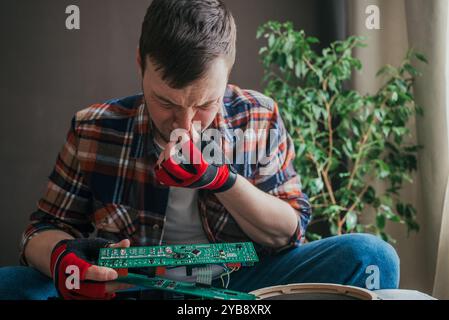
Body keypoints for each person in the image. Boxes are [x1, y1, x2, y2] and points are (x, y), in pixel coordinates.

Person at [0, 0, 399, 300]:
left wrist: (219, 179)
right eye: (167, 103)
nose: (186, 123)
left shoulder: (257, 117)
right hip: (131, 286)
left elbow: (290, 232)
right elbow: (39, 231)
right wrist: (62, 259)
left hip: (239, 285)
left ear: (229, 69)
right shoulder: (94, 127)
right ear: (141, 64)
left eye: (205, 104)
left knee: (372, 257)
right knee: (11, 284)